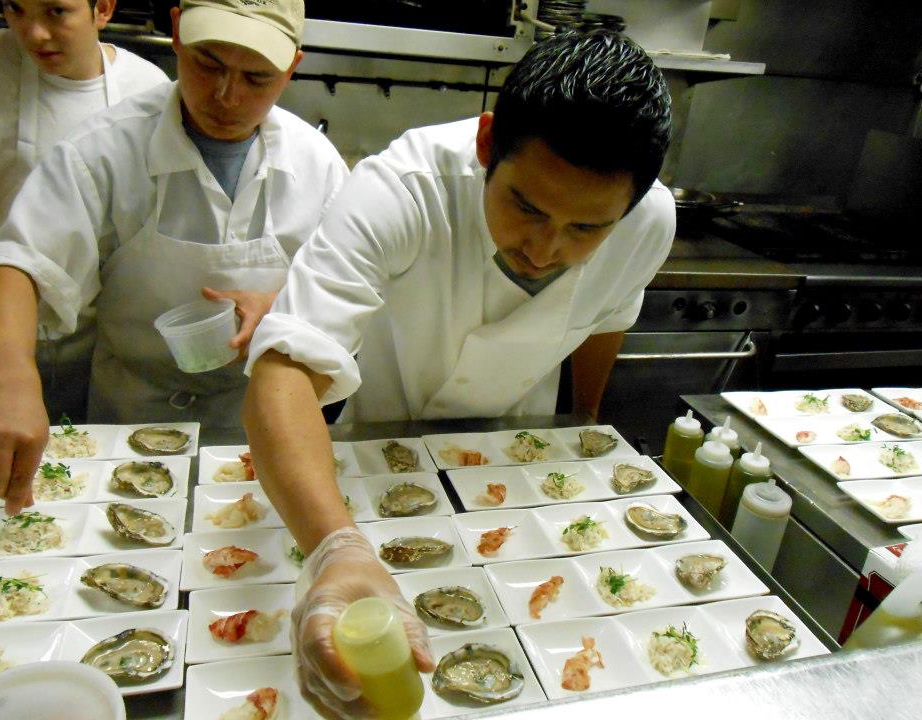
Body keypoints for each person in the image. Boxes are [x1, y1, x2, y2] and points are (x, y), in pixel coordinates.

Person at [241, 30, 674, 718]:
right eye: (526, 207)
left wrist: (582, 425)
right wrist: (336, 548)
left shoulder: (648, 222)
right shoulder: (403, 187)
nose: (545, 249)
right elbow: (283, 368)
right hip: (371, 466)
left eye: (585, 229)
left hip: (511, 462)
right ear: (486, 144)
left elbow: (608, 318)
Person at [0, 0, 347, 513]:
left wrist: (286, 310)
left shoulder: (315, 162)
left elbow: (352, 291)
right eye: (208, 63)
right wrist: (8, 382)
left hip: (270, 430)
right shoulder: (102, 149)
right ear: (178, 34)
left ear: (292, 66)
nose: (227, 96)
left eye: (256, 77)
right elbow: (16, 265)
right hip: (128, 424)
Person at [0, 0, 169, 421]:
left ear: (105, 9)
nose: (34, 32)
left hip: (105, 348)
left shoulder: (148, 88)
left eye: (56, 12)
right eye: (16, 10)